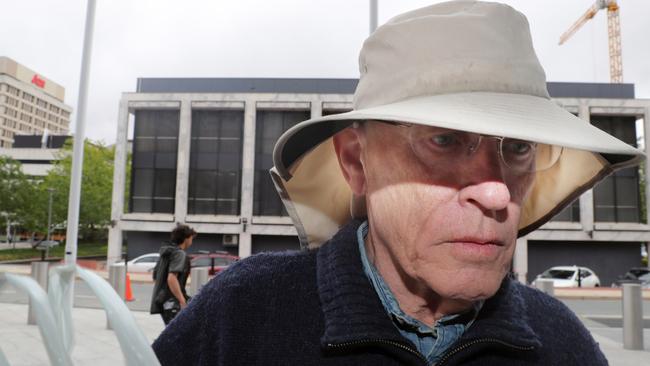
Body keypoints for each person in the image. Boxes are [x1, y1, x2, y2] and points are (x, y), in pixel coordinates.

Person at [153, 1, 643, 365]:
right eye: (446, 140)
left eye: (517, 148)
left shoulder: (562, 343)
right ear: (356, 162)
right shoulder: (242, 315)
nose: (496, 193)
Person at [150, 223, 196, 325]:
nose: (192, 241)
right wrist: (182, 300)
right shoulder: (179, 254)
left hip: (163, 301)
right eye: (192, 238)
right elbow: (172, 278)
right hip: (173, 302)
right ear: (186, 238)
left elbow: (155, 276)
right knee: (177, 336)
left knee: (172, 334)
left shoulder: (166, 252)